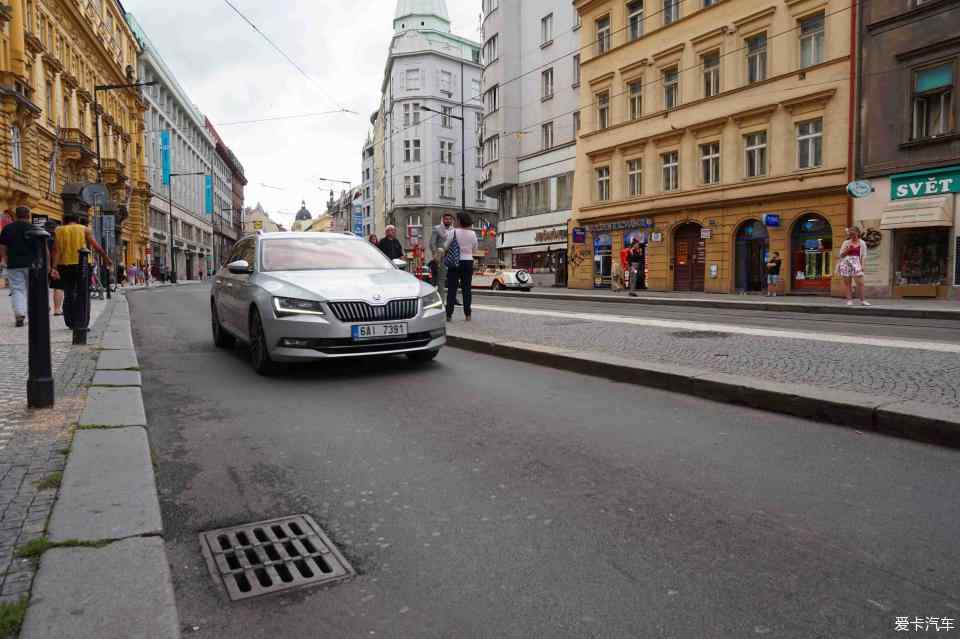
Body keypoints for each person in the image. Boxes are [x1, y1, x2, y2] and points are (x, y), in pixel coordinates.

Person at [51, 213, 112, 329]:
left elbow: (56, 250)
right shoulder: (84, 229)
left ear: (64, 220)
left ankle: (70, 321)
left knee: (69, 293)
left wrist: (54, 268)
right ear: (77, 220)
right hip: (82, 265)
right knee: (83, 293)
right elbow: (96, 246)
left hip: (64, 265)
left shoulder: (58, 230)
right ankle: (82, 322)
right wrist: (106, 258)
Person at [0, 207, 38, 327]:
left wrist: (4, 258)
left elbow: (2, 246)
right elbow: (42, 248)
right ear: (28, 215)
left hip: (14, 263)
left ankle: (19, 314)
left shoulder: (8, 228)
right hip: (32, 264)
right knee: (32, 290)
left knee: (17, 289)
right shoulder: (33, 228)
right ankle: (34, 315)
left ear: (16, 215)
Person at [443, 212, 479, 321]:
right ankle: (468, 314)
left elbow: (445, 246)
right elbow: (475, 249)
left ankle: (449, 315)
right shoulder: (472, 234)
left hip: (455, 262)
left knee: (452, 289)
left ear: (459, 220)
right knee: (467, 289)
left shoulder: (452, 232)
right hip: (468, 262)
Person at [838, 226, 870, 306]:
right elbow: (841, 255)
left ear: (858, 233)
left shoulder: (862, 243)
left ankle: (863, 300)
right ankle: (849, 300)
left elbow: (864, 255)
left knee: (861, 283)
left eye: (853, 234)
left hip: (856, 263)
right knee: (847, 283)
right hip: (846, 263)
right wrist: (847, 250)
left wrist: (862, 265)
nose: (852, 236)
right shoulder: (846, 243)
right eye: (851, 234)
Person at [430, 213, 454, 302]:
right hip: (441, 257)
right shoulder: (437, 229)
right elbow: (432, 243)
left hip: (452, 257)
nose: (448, 220)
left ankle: (452, 299)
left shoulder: (453, 230)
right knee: (441, 280)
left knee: (452, 279)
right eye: (446, 219)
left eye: (449, 219)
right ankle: (441, 300)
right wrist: (436, 254)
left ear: (452, 220)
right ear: (443, 220)